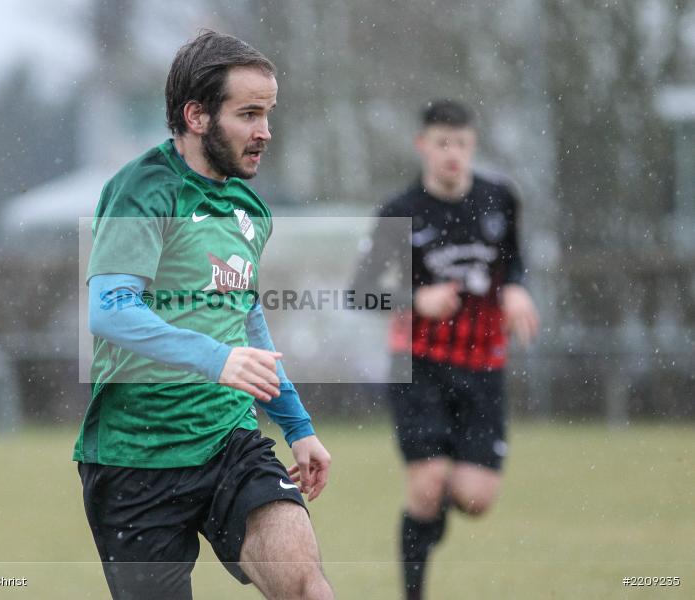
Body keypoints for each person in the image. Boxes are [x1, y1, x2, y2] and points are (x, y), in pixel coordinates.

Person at [75, 31, 334, 600]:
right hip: (135, 460)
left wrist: (298, 425)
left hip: (229, 442)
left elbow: (247, 322)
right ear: (196, 115)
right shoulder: (142, 189)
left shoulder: (250, 208)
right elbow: (110, 310)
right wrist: (215, 359)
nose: (265, 131)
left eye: (267, 114)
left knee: (307, 590)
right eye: (248, 114)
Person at [353, 99, 540, 600]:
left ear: (472, 145)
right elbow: (360, 291)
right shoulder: (399, 212)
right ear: (423, 146)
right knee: (428, 481)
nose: (452, 154)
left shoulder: (500, 198)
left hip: (484, 366)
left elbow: (515, 263)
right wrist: (417, 299)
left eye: (460, 143)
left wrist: (518, 287)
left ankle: (429, 514)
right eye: (442, 143)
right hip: (419, 364)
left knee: (475, 498)